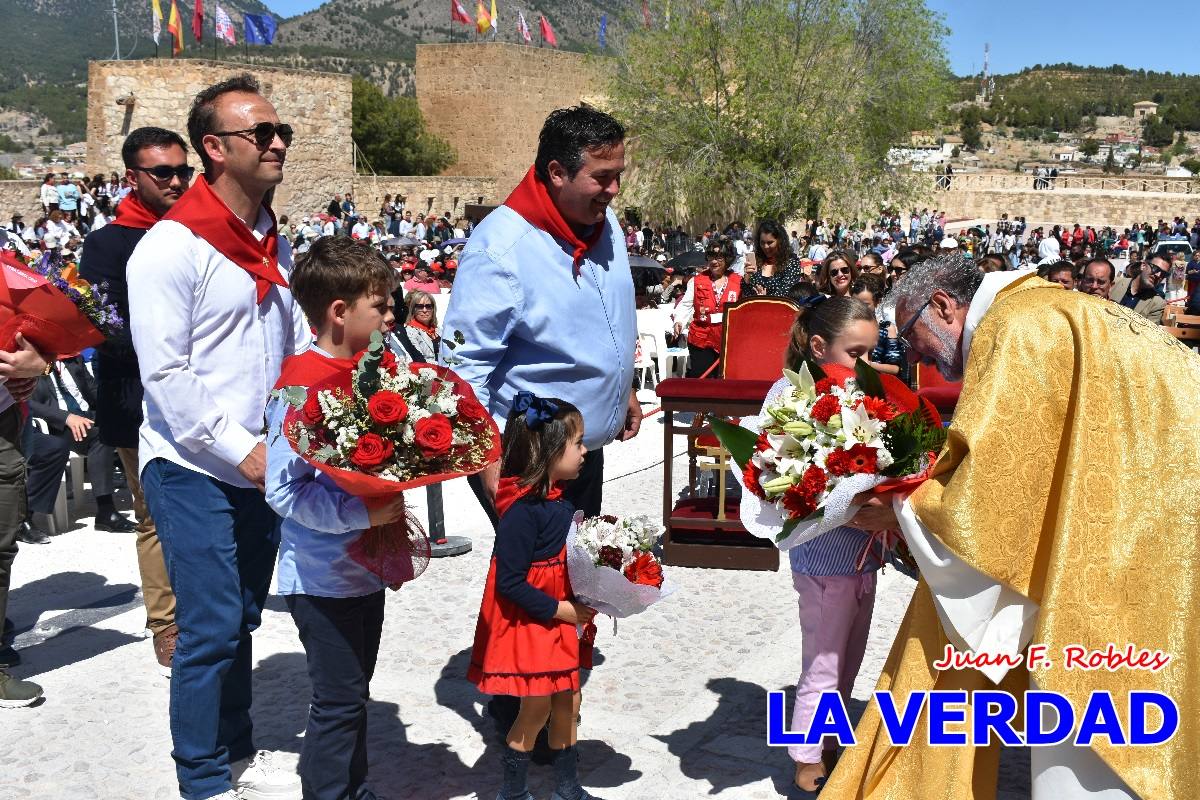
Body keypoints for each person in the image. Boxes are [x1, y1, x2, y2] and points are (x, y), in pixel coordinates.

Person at [824, 252, 1199, 800]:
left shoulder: (1016, 327)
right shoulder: (1050, 309)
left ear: (943, 306)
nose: (909, 352)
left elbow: (995, 487)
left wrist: (901, 511)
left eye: (909, 334)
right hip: (1163, 514)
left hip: (1120, 539)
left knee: (1092, 706)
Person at [128, 74, 308, 800]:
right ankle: (200, 777)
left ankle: (235, 749)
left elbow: (292, 351)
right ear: (214, 148)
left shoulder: (273, 244)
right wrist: (246, 448)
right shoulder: (171, 249)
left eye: (280, 132)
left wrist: (300, 431)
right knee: (207, 628)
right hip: (192, 463)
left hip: (262, 463)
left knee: (241, 618)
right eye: (259, 133)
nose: (276, 143)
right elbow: (166, 375)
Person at [442, 105, 639, 524]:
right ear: (556, 172)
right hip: (528, 463)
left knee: (575, 580)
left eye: (618, 175)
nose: (614, 189)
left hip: (581, 451)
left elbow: (602, 317)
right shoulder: (500, 249)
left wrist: (622, 389)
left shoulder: (606, 223)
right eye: (602, 177)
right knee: (536, 586)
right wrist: (487, 465)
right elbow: (461, 370)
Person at [265, 236, 406, 800]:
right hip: (321, 575)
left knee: (355, 694)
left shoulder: (376, 373)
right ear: (339, 312)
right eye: (382, 305)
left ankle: (355, 787)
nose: (392, 315)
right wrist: (359, 510)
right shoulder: (298, 387)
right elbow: (283, 490)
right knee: (337, 700)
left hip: (364, 569)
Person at [79, 126, 191, 676]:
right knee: (152, 516)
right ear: (133, 177)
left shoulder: (200, 232)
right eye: (162, 172)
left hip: (200, 396)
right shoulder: (107, 244)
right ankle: (165, 625)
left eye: (182, 171)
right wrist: (172, 344)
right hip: (136, 400)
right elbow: (103, 325)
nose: (175, 181)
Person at [773, 295, 889, 791]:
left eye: (871, 353)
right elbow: (783, 473)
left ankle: (832, 735)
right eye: (856, 353)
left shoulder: (863, 391)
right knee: (822, 658)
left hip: (863, 554)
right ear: (818, 346)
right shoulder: (789, 396)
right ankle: (805, 757)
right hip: (823, 555)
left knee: (849, 655)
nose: (867, 365)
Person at [467, 393, 600, 800]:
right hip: (537, 624)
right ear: (548, 451)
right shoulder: (522, 513)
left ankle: (567, 788)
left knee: (569, 704)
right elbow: (509, 582)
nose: (584, 451)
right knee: (536, 709)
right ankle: (513, 791)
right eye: (576, 443)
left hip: (560, 625)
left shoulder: (560, 503)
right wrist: (561, 609)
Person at [24, 354, 134, 535]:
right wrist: (65, 417)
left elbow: (94, 391)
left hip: (86, 419)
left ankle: (143, 497)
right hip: (54, 424)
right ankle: (106, 510)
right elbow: (28, 403)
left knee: (124, 425)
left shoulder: (73, 360)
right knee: (101, 436)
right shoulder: (30, 361)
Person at [671, 237, 742, 379]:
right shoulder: (696, 281)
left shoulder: (738, 281)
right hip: (701, 340)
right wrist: (679, 321)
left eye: (719, 257)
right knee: (703, 381)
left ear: (727, 258)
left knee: (726, 381)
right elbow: (685, 305)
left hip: (727, 341)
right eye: (711, 257)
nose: (714, 261)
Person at [745, 220, 804, 296]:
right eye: (762, 243)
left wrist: (765, 299)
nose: (765, 247)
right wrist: (747, 279)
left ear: (780, 241)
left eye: (770, 243)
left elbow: (786, 292)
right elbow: (746, 293)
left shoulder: (792, 263)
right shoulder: (755, 261)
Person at [1109, 258, 1167, 324]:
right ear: (1143, 266)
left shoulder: (1157, 303)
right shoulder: (1113, 283)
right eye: (1156, 269)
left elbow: (1148, 332)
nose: (1158, 275)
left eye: (1163, 274)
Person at [390, 290, 441, 364]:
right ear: (413, 309)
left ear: (433, 309)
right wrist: (443, 364)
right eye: (420, 307)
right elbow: (419, 359)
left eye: (428, 306)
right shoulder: (409, 331)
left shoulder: (437, 329)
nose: (424, 310)